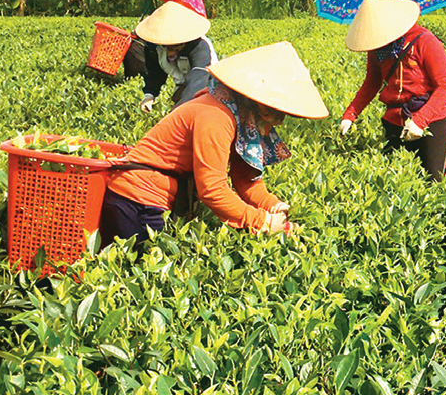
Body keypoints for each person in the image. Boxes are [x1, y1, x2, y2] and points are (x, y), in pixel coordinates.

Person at [100, 40, 328, 247]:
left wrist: (274, 206)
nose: (277, 121)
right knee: (145, 276)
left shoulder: (239, 116)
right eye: (273, 112)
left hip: (157, 201)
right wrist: (263, 222)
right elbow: (212, 189)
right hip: (138, 201)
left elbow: (245, 178)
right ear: (257, 102)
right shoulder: (216, 115)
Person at [339, 0, 446, 180]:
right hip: (394, 121)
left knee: (432, 180)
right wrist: (350, 115)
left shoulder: (425, 41)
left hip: (429, 120)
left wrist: (420, 121)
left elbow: (444, 87)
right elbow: (371, 83)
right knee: (396, 182)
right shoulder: (377, 47)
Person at [134, 1, 217, 112]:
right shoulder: (154, 46)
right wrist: (149, 96)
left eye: (175, 47)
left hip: (208, 87)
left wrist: (177, 111)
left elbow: (198, 80)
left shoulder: (200, 46)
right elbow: (155, 73)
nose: (170, 53)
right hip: (182, 84)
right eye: (166, 47)